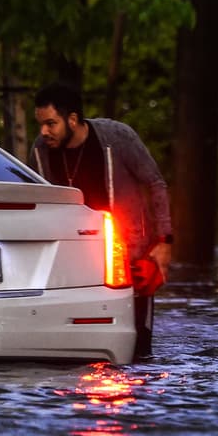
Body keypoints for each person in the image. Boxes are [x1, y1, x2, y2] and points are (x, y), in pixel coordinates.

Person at [29, 83, 173, 357]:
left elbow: (155, 183)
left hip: (128, 254)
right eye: (41, 124)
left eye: (51, 123)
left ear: (72, 119)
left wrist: (164, 241)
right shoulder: (41, 150)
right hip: (72, 257)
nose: (44, 132)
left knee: (138, 348)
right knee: (75, 344)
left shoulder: (116, 137)